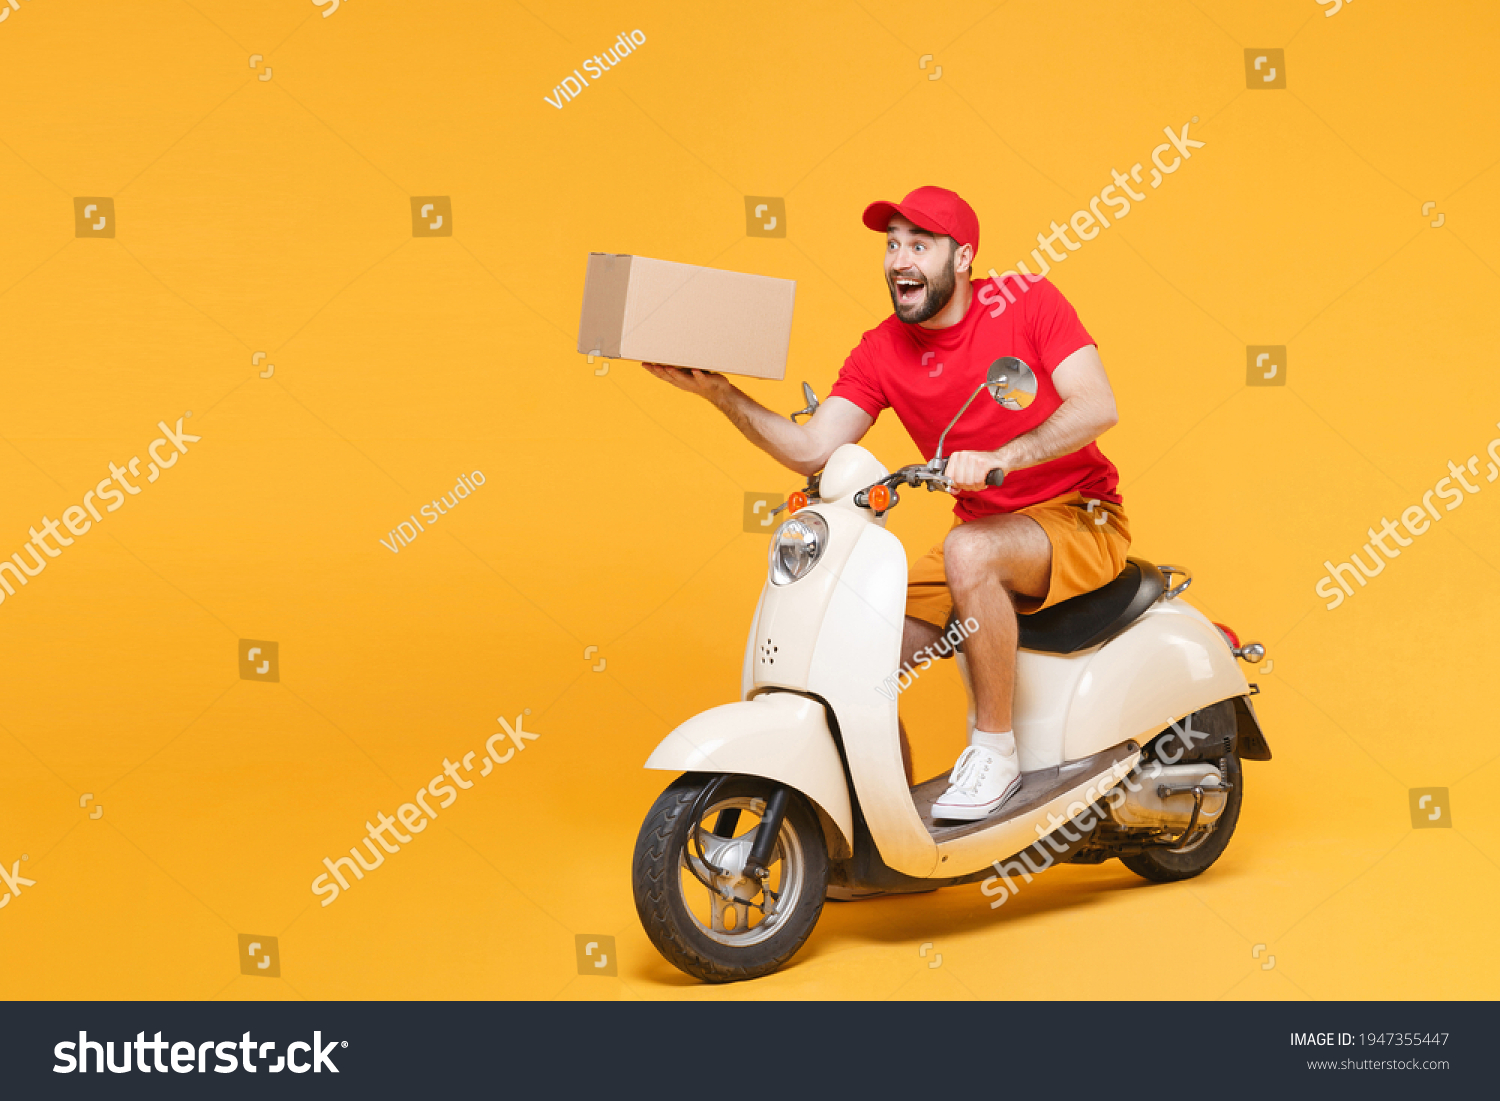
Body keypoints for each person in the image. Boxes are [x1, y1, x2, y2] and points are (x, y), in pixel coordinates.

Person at [644, 185, 1128, 822]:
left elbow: (1097, 405)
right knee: (851, 647)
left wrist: (1002, 457)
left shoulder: (1026, 302)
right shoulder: (882, 349)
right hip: (987, 529)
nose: (900, 259)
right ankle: (885, 829)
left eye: (920, 245)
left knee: (968, 548)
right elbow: (813, 447)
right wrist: (720, 393)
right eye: (893, 244)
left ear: (963, 258)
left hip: (1080, 515)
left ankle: (995, 752)